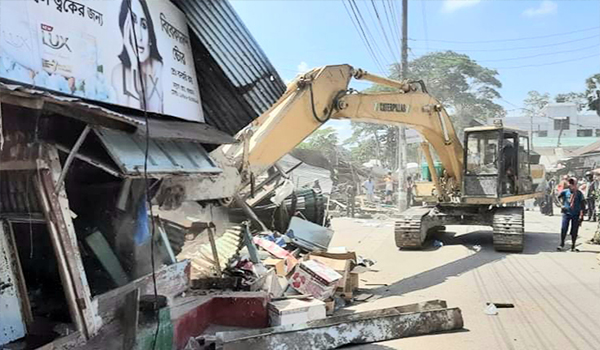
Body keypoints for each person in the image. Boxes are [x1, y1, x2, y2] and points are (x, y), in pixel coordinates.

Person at [112, 0, 164, 113]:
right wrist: (134, 66)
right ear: (124, 30)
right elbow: (133, 115)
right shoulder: (118, 72)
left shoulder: (157, 67)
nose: (139, 36)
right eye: (132, 22)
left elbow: (155, 115)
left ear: (150, 33)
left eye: (144, 25)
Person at [557, 178, 586, 252]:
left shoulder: (579, 194)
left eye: (572, 184)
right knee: (564, 229)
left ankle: (573, 245)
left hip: (576, 214)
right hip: (566, 213)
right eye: (570, 183)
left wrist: (581, 215)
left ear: (575, 185)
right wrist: (561, 205)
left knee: (574, 230)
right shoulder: (565, 192)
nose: (571, 185)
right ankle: (562, 244)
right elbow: (557, 197)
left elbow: (583, 205)